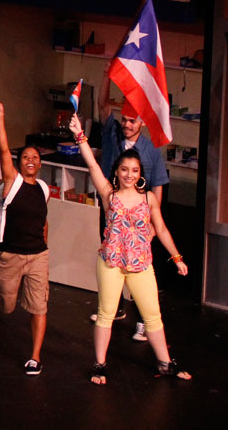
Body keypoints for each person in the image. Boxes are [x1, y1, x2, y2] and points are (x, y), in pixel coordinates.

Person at [68, 113, 191, 384]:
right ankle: (99, 365)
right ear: (117, 171)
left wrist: (177, 257)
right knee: (105, 314)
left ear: (140, 175)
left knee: (152, 315)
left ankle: (166, 363)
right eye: (124, 170)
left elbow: (161, 229)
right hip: (111, 263)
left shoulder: (149, 199)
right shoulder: (108, 193)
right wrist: (80, 135)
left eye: (135, 171)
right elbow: (91, 162)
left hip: (140, 264)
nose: (129, 175)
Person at [0, 100, 51, 375]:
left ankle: (35, 357)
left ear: (40, 163)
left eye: (35, 157)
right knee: (3, 303)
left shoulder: (43, 188)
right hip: (11, 255)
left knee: (39, 306)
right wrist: (1, 118)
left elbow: (44, 222)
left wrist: (44, 246)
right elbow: (4, 150)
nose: (31, 160)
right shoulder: (13, 183)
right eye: (26, 157)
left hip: (38, 255)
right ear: (19, 164)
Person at [94, 73, 169, 341]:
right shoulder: (112, 132)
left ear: (141, 123)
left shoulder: (151, 151)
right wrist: (106, 77)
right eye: (124, 119)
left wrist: (151, 219)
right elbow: (102, 105)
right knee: (110, 258)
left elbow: (158, 184)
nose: (126, 124)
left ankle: (142, 321)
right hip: (112, 209)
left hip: (139, 217)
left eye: (131, 120)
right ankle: (112, 311)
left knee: (140, 268)